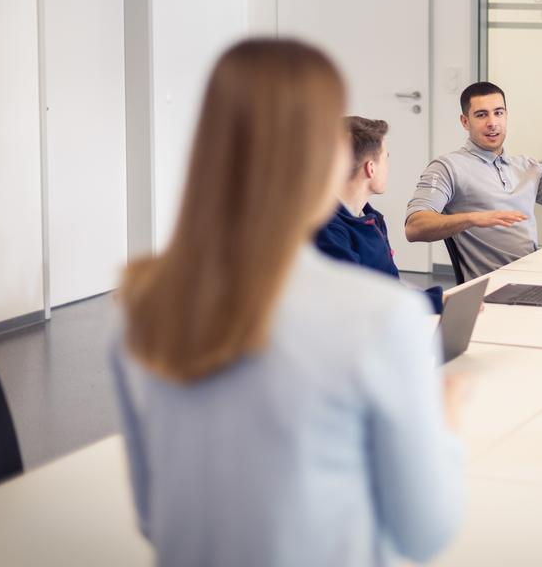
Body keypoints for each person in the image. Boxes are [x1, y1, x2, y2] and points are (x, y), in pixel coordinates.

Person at [111, 39, 465, 566]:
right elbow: (424, 532)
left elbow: (152, 517)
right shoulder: (377, 318)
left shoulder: (141, 308)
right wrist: (443, 427)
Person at [405, 81, 542, 281]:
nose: (492, 122)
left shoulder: (526, 166)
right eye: (481, 115)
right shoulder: (448, 167)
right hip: (495, 288)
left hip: (534, 274)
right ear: (465, 121)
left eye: (498, 112)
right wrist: (471, 219)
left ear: (506, 116)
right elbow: (414, 227)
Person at [316, 116, 444, 313]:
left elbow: (388, 286)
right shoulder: (327, 228)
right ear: (371, 168)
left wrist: (439, 300)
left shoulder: (371, 218)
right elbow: (360, 298)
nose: (388, 167)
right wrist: (435, 302)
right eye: (386, 158)